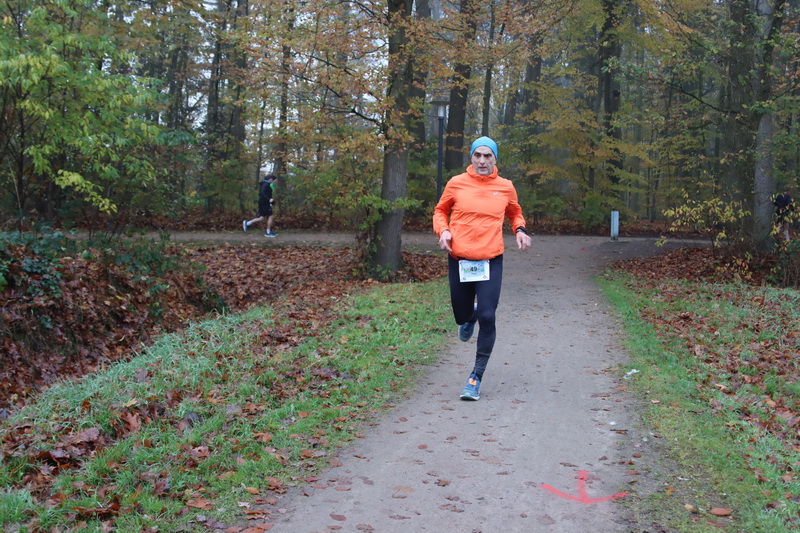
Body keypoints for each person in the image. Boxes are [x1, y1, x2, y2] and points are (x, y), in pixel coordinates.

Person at [433, 136, 531, 401]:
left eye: (488, 156)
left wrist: (520, 230)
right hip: (460, 259)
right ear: (471, 157)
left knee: (489, 316)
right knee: (461, 315)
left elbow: (515, 213)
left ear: (495, 159)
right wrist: (443, 231)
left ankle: (475, 377)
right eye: (478, 155)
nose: (482, 161)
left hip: (490, 259)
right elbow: (440, 211)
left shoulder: (505, 186)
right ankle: (469, 316)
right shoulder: (456, 183)